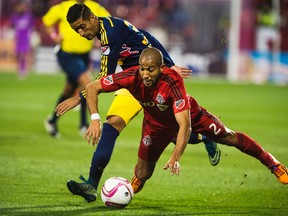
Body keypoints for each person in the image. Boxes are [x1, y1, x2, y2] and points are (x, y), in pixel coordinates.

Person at [55, 3, 220, 203]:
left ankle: (205, 137)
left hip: (155, 83)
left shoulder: (110, 33)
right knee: (112, 125)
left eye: (82, 26)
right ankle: (91, 184)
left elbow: (104, 76)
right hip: (133, 83)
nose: (81, 32)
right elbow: (147, 37)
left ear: (91, 17)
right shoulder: (109, 28)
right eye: (76, 30)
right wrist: (170, 62)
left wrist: (78, 97)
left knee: (172, 134)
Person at [83, 47, 288, 196]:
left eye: (151, 69)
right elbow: (93, 87)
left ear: (162, 68)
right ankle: (127, 191)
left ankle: (273, 163)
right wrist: (94, 118)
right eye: (143, 68)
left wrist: (175, 157)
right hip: (154, 124)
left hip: (190, 115)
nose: (145, 74)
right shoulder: (130, 76)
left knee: (229, 137)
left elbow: (185, 125)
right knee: (143, 173)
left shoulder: (172, 80)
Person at [42, 0, 110, 138]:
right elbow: (46, 21)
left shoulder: (93, 7)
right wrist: (54, 36)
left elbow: (108, 21)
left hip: (84, 55)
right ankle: (84, 124)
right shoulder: (65, 6)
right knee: (88, 84)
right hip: (67, 54)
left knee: (68, 90)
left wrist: (101, 36)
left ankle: (52, 121)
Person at [11, 0, 34, 79]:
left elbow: (31, 27)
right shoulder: (15, 16)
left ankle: (24, 70)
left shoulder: (28, 16)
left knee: (24, 54)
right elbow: (13, 26)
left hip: (26, 38)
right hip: (18, 37)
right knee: (19, 54)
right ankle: (19, 69)